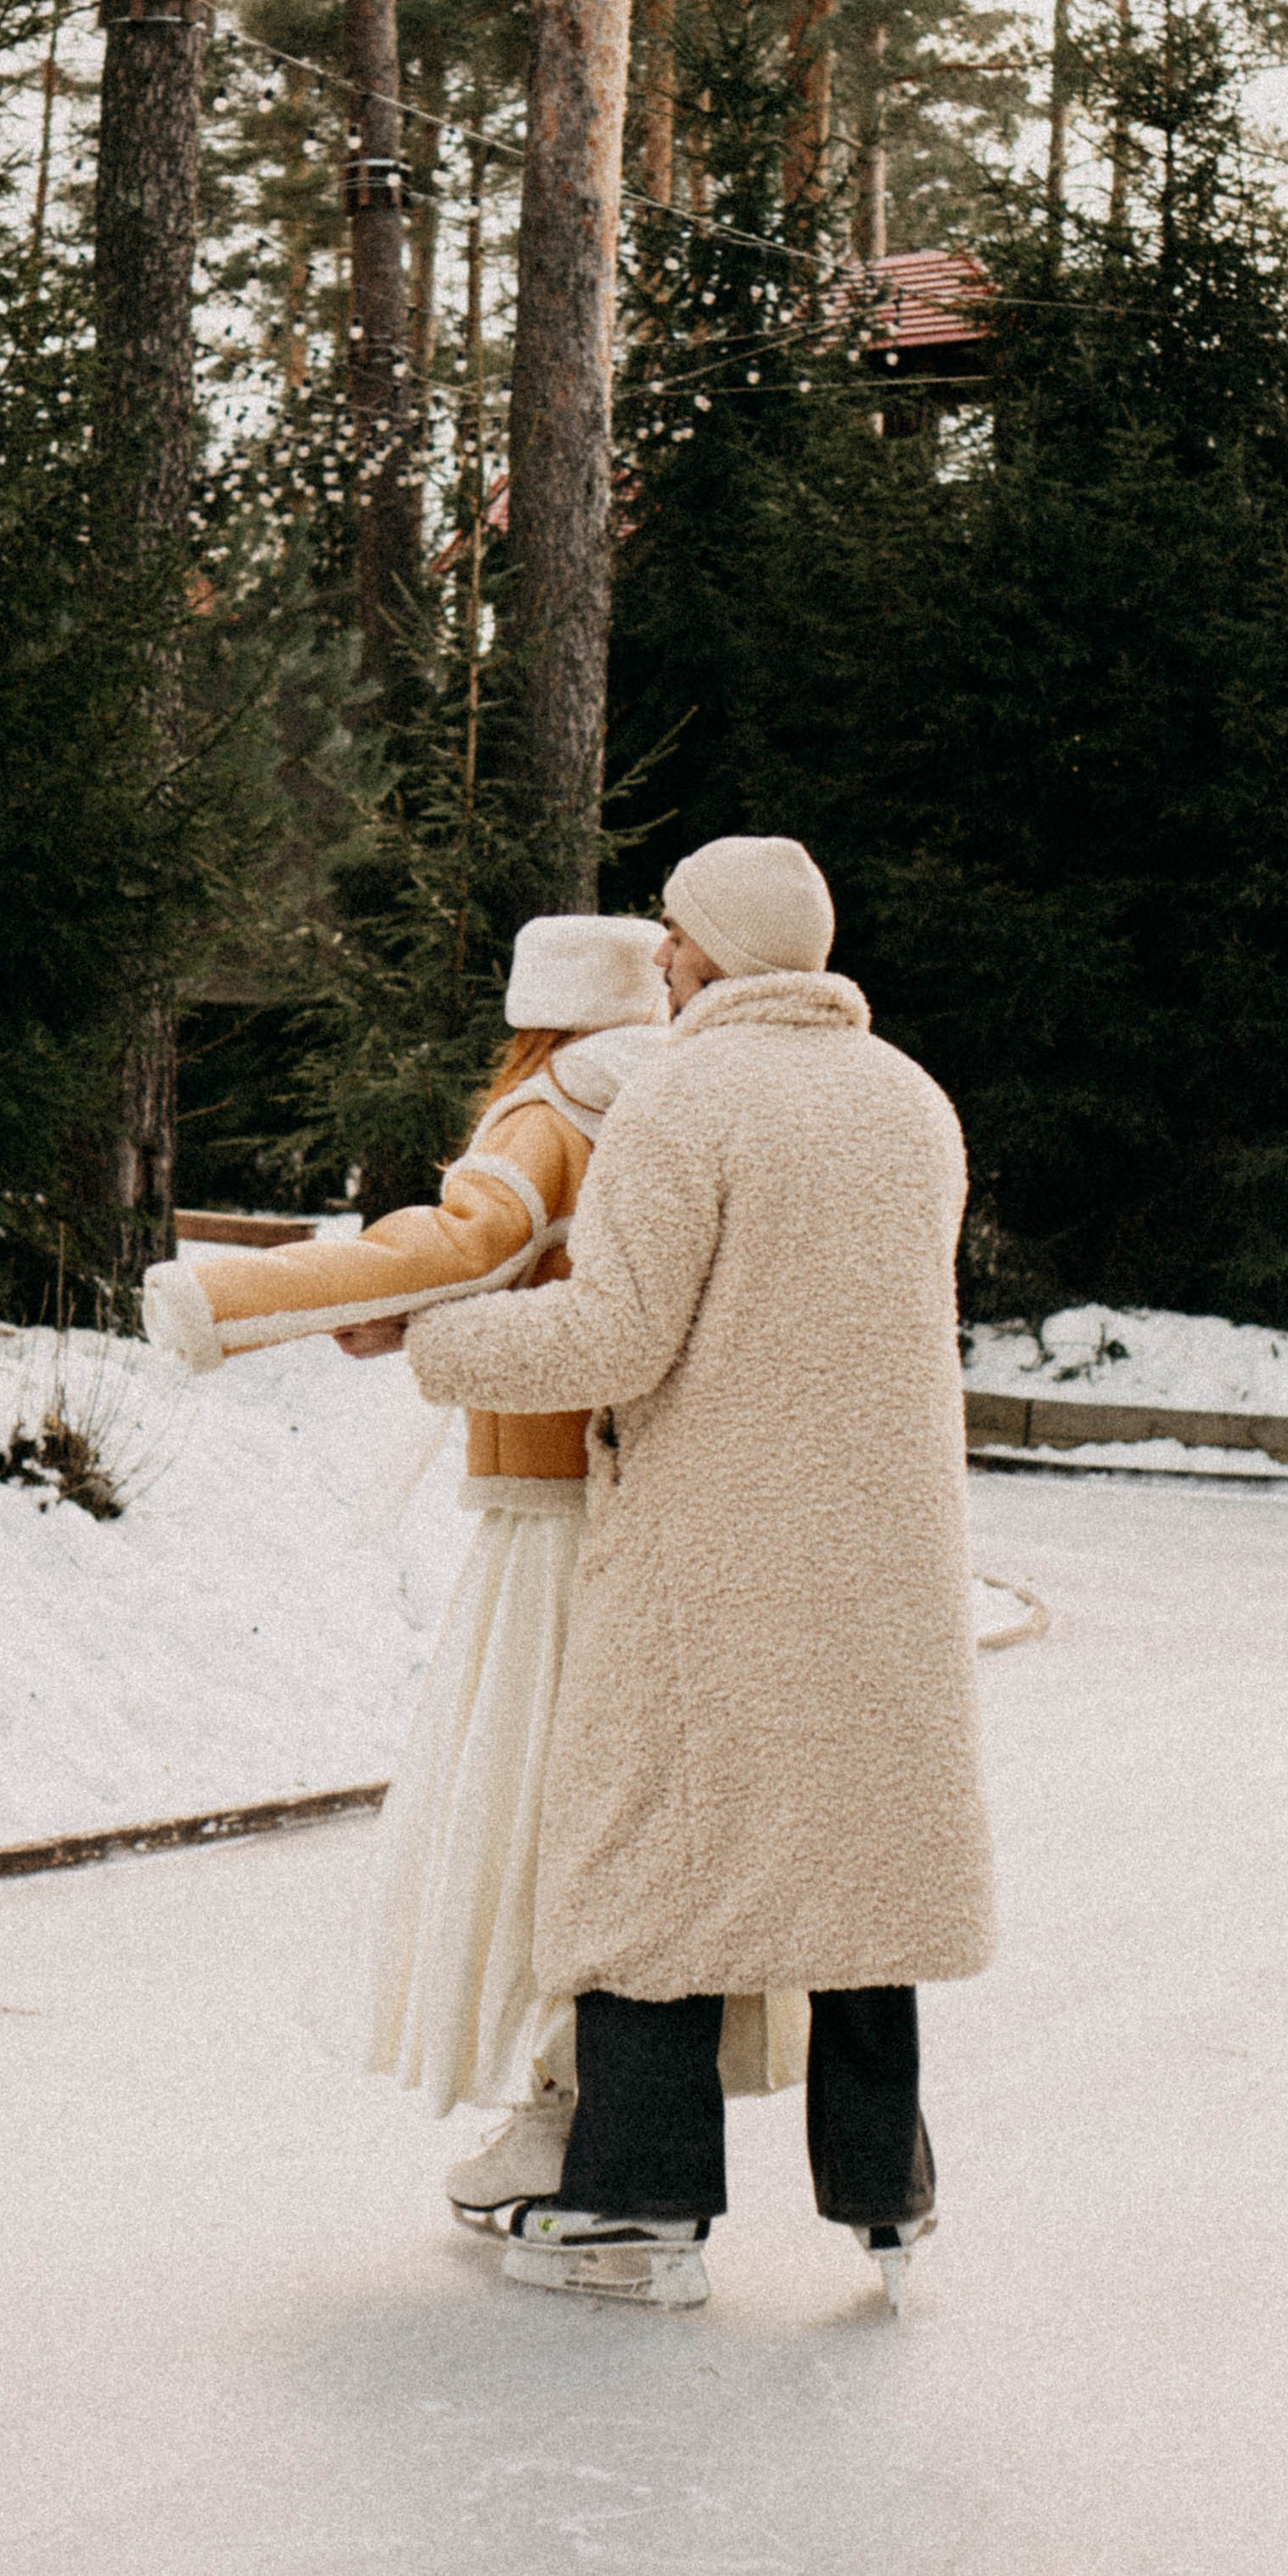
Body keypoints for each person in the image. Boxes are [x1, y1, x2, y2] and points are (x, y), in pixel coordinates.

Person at [359, 836, 997, 2314]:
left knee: (650, 1860)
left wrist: (432, 1345)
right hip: (885, 1557)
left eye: (673, 934)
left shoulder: (686, 1099)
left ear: (714, 950)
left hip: (714, 1554)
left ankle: (637, 2210)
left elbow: (614, 1336)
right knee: (864, 1871)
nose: (657, 956)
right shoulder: (912, 1102)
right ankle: (885, 2198)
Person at [140, 914, 806, 2221]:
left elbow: (469, 1246)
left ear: (532, 1011)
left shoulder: (549, 1111)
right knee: (622, 1824)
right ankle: (602, 2107)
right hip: (659, 1508)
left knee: (526, 1817)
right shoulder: (682, 1104)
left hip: (545, 1511)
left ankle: (557, 2112)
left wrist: (232, 1302)